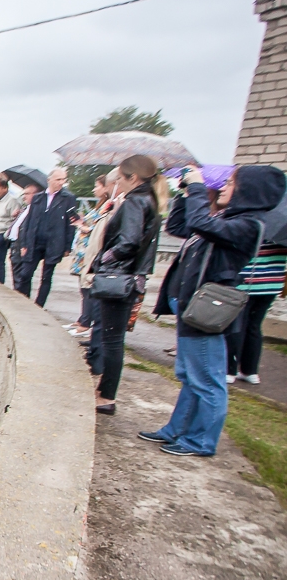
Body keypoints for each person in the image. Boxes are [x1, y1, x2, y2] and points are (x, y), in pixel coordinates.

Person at [141, 163, 286, 456]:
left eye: (231, 183)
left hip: (208, 312)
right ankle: (176, 431)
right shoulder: (228, 219)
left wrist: (197, 187)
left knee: (208, 380)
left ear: (249, 191)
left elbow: (200, 224)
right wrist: (185, 193)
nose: (223, 188)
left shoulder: (247, 224)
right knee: (191, 375)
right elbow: (180, 226)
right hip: (192, 307)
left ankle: (200, 442)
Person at [88, 157, 164, 415]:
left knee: (111, 339)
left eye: (120, 178)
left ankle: (106, 395)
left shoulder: (135, 201)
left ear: (133, 178)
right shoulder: (150, 201)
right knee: (114, 338)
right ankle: (104, 391)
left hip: (119, 278)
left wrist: (103, 259)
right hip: (132, 279)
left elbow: (128, 243)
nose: (117, 183)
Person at [225, 223, 286, 384]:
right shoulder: (282, 230)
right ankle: (250, 370)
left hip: (248, 281)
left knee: (236, 326)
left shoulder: (259, 223)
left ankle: (229, 369)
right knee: (254, 327)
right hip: (272, 283)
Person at [15, 167, 79, 306]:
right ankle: (24, 302)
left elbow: (71, 223)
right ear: (49, 180)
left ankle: (39, 305)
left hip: (55, 242)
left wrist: (68, 246)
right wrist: (24, 244)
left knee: (46, 276)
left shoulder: (68, 198)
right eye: (58, 179)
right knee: (25, 274)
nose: (61, 182)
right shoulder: (38, 198)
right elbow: (29, 222)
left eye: (63, 180)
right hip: (35, 241)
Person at [67, 173, 114, 336]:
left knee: (88, 288)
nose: (94, 189)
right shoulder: (101, 205)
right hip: (84, 251)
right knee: (83, 287)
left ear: (106, 187)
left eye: (97, 186)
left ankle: (86, 323)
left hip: (91, 251)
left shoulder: (109, 206)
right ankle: (83, 319)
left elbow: (98, 228)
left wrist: (83, 227)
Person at [7, 184, 39, 286]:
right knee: (16, 274)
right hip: (14, 243)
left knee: (21, 276)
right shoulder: (25, 209)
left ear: (36, 195)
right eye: (23, 194)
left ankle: (20, 296)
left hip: (22, 245)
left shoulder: (36, 210)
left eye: (27, 194)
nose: (24, 197)